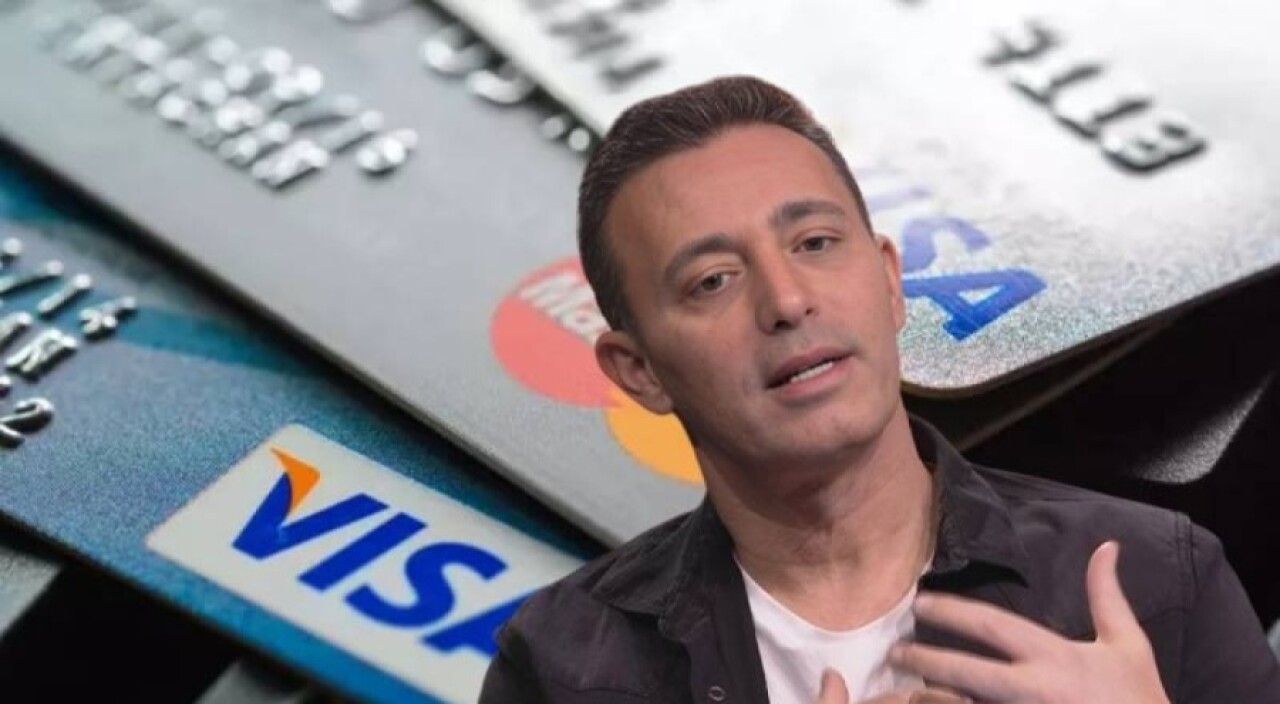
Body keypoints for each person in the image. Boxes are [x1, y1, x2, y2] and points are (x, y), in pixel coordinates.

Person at [479, 76, 1280, 704]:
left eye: (816, 242)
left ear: (892, 283)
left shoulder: (1159, 580)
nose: (787, 300)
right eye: (713, 280)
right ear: (640, 370)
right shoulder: (563, 664)